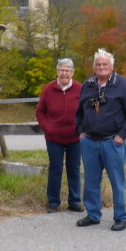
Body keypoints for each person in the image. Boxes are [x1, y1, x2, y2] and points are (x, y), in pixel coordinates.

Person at [74, 48, 126, 231]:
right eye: (98, 64)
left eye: (105, 64)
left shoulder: (123, 85)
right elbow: (79, 112)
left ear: (112, 66)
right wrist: (80, 131)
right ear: (94, 67)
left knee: (117, 182)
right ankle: (93, 214)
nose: (101, 67)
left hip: (112, 142)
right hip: (89, 141)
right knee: (91, 180)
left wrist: (122, 135)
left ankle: (120, 217)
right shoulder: (87, 85)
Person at [36, 58, 84, 213]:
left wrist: (81, 129)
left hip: (75, 138)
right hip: (54, 138)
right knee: (55, 168)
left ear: (72, 73)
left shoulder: (80, 89)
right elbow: (40, 111)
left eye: (67, 71)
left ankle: (74, 201)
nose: (64, 73)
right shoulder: (47, 89)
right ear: (57, 72)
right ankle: (53, 201)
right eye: (62, 70)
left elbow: (86, 111)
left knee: (74, 169)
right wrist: (47, 127)